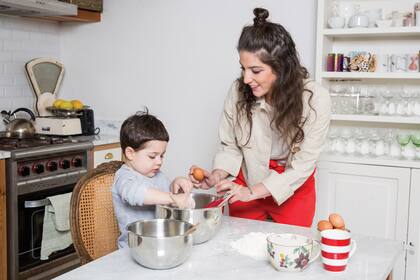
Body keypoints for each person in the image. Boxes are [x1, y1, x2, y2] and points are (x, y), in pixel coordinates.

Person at [189, 8, 331, 227]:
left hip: (291, 185)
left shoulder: (315, 99)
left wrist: (251, 192)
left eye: (255, 70)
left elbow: (303, 166)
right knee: (241, 248)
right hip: (246, 177)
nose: (246, 79)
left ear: (281, 67)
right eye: (243, 68)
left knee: (289, 250)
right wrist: (218, 174)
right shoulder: (237, 91)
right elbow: (230, 145)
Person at [112, 110, 194, 248]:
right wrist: (172, 197)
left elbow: (166, 198)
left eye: (162, 156)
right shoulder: (125, 177)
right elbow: (135, 194)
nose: (159, 162)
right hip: (133, 248)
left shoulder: (157, 174)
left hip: (161, 244)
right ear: (130, 153)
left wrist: (176, 185)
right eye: (152, 156)